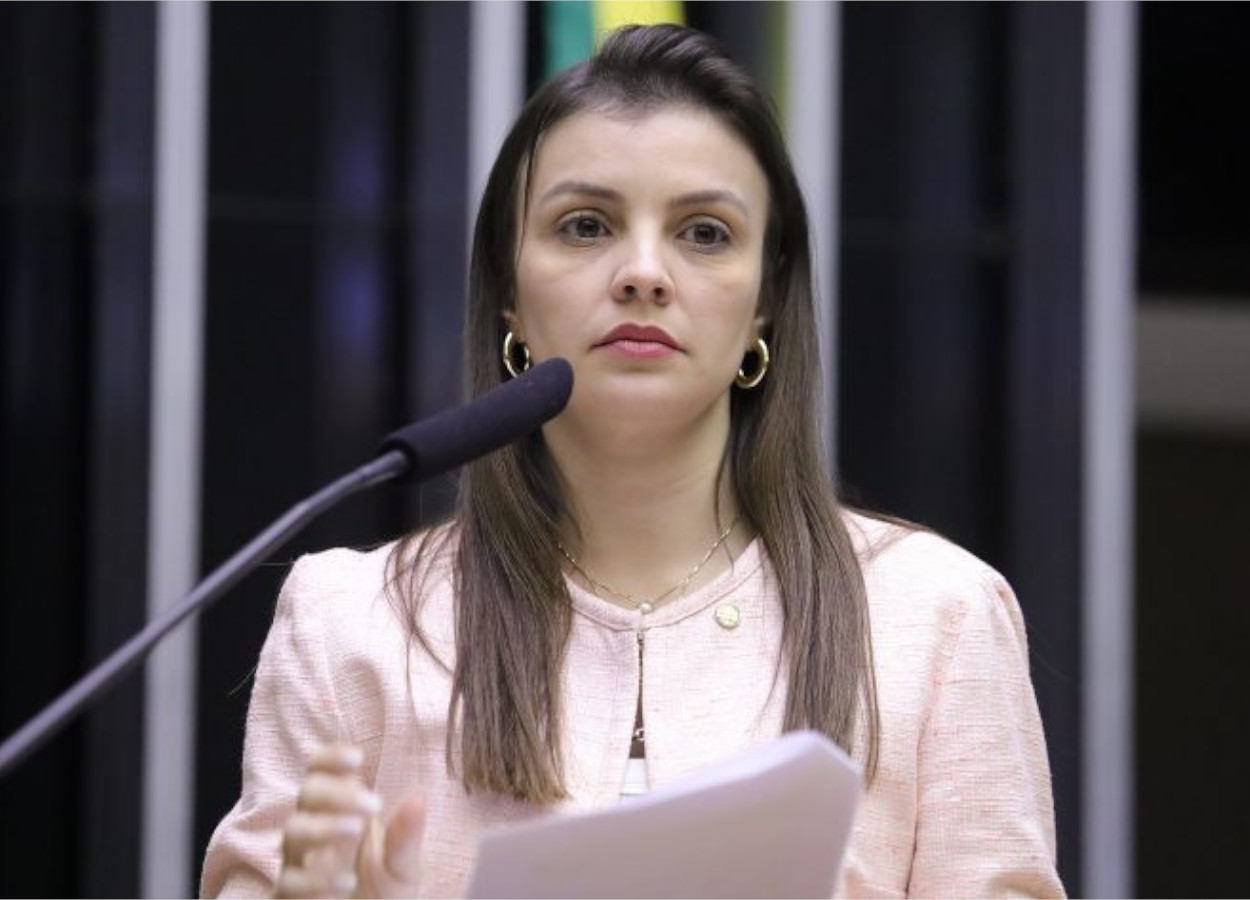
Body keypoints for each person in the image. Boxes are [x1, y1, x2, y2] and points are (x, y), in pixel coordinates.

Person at [201, 23, 1064, 899]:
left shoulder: (939, 620)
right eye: (586, 226)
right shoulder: (349, 626)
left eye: (704, 233)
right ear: (509, 294)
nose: (644, 273)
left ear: (765, 302)